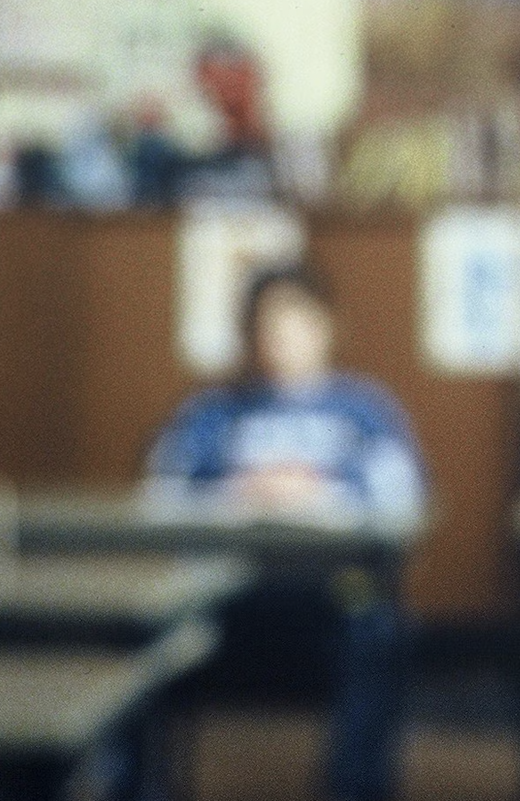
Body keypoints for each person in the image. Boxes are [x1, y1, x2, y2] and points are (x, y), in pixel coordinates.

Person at [145, 263, 424, 801]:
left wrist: (318, 493)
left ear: (325, 327)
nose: (277, 336)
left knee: (379, 629)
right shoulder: (212, 413)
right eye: (263, 323)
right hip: (224, 592)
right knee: (146, 633)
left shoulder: (365, 411)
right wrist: (240, 491)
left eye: (293, 319)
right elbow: (163, 494)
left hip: (332, 591)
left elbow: (403, 501)